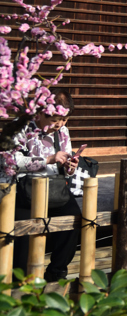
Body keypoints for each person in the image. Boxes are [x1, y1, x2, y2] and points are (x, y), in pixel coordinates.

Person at [3, 90, 81, 282]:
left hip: (53, 188)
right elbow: (10, 162)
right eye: (55, 120)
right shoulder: (20, 127)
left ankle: (56, 272)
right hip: (21, 190)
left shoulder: (63, 131)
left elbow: (65, 163)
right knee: (22, 232)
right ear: (40, 113)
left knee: (74, 219)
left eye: (64, 120)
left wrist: (70, 167)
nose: (60, 125)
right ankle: (20, 281)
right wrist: (48, 159)